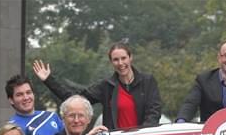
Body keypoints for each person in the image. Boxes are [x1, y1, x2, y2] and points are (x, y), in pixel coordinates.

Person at [33, 42, 162, 130]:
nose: (120, 63)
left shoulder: (148, 81)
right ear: (111, 62)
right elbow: (75, 99)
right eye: (116, 60)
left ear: (130, 58)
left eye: (124, 58)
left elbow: (154, 111)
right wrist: (48, 80)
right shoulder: (106, 86)